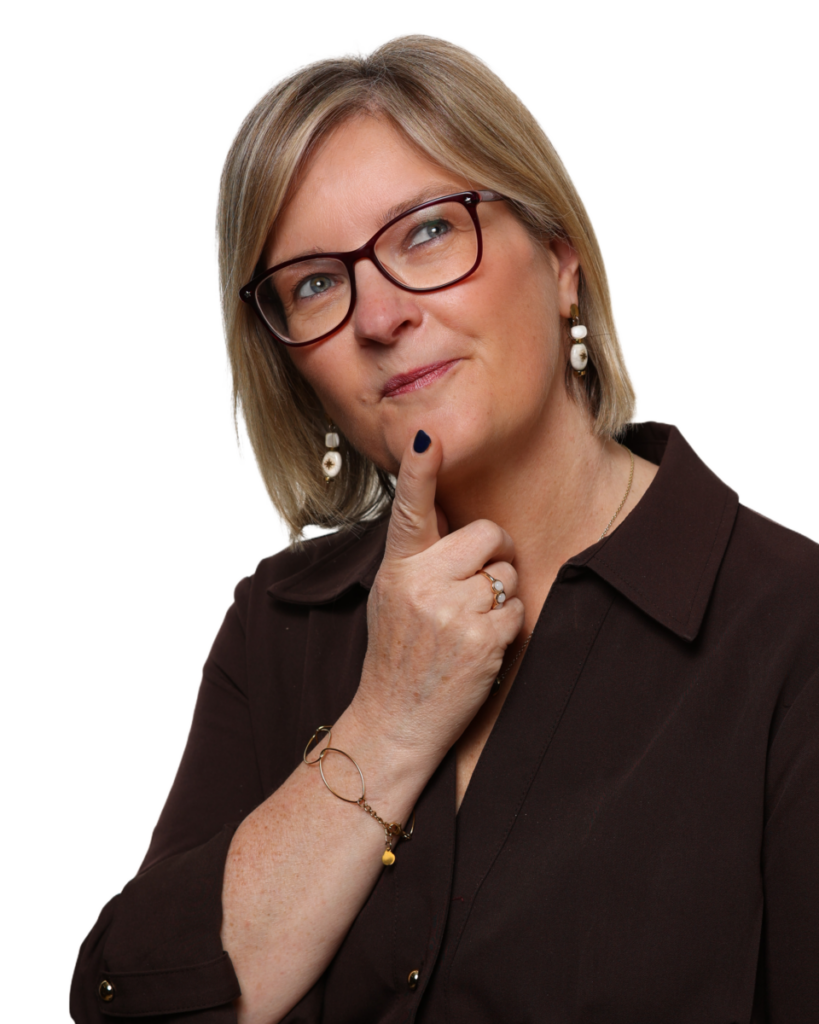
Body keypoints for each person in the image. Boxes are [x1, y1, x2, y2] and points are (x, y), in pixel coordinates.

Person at [69, 32, 818, 1024]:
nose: (379, 316)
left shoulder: (792, 626)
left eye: (426, 231)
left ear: (560, 262)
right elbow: (129, 1002)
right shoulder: (279, 623)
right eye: (315, 283)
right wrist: (388, 718)